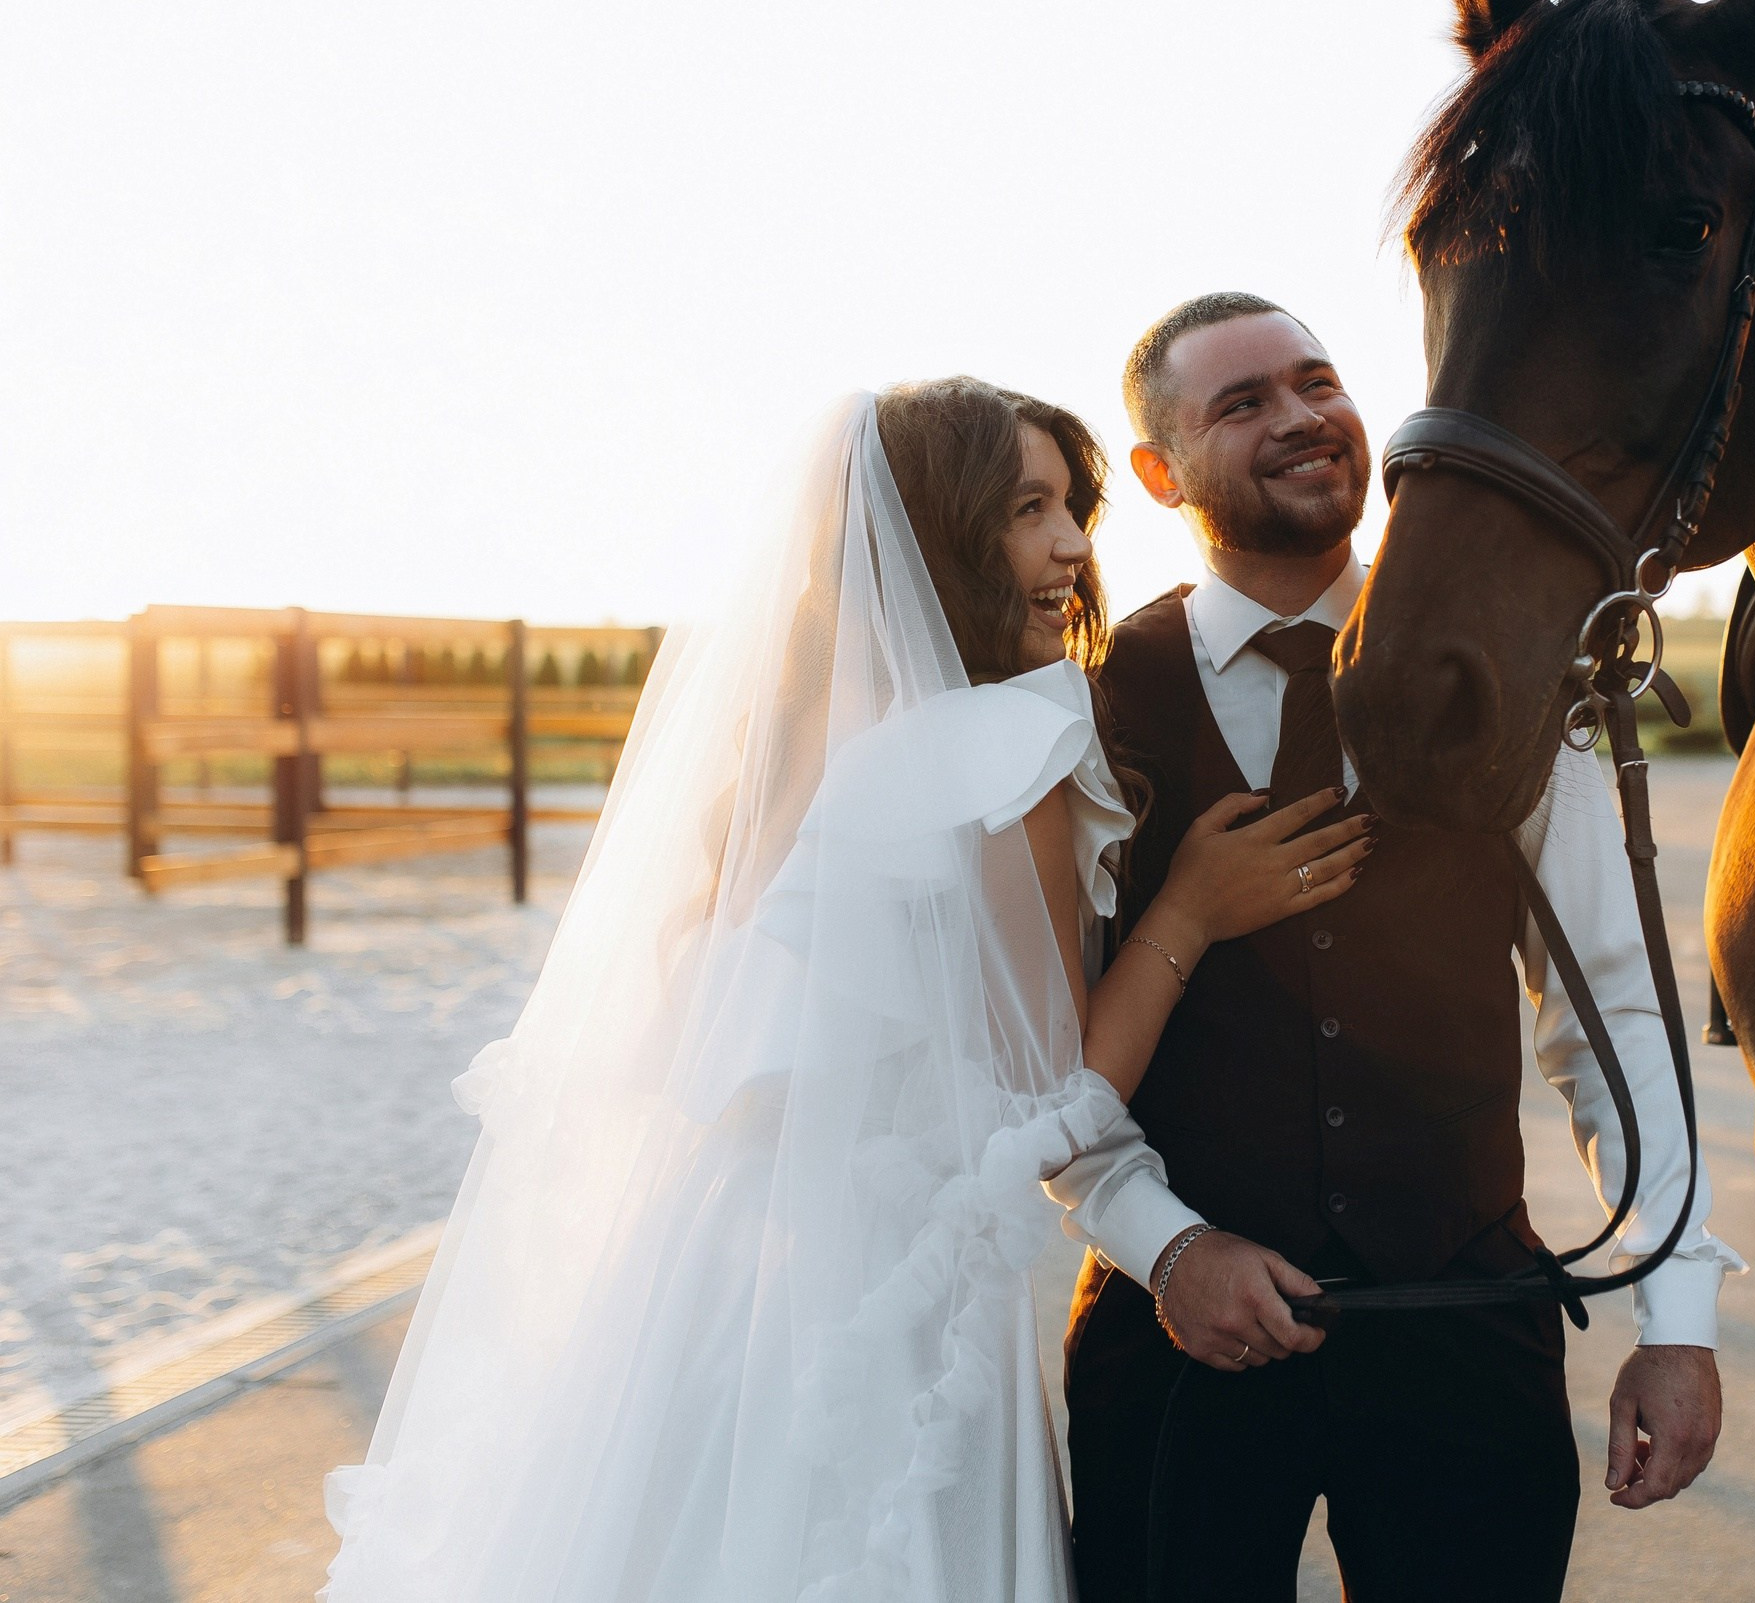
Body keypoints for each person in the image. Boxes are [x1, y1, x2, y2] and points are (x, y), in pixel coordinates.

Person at [320, 378, 1364, 1602]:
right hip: (878, 1303)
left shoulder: (789, 738)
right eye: (1028, 509)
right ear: (936, 535)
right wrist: (1188, 912)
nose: (1073, 547)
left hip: (699, 1274)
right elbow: (1049, 1107)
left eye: (1071, 507)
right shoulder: (1001, 744)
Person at [1047, 294, 1745, 1602]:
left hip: (1463, 1337)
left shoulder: (1519, 675)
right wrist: (1169, 1246)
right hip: (1177, 1341)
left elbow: (1611, 1002)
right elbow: (1044, 1058)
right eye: (1243, 401)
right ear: (1158, 469)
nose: (1304, 416)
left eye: (1317, 382)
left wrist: (1679, 1313)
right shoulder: (1089, 705)